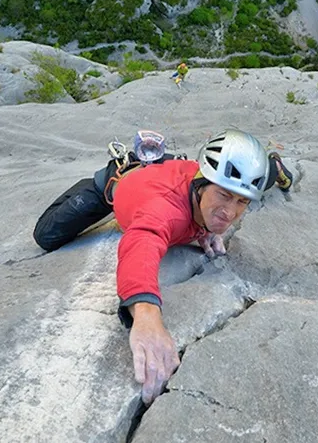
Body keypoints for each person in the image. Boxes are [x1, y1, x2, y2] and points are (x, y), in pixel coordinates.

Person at [32, 129, 294, 403]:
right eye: (224, 196)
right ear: (201, 184)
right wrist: (146, 316)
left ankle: (273, 165)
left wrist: (209, 226)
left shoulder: (215, 185)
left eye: (242, 202)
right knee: (47, 236)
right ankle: (125, 167)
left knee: (258, 180)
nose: (230, 212)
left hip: (171, 171)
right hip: (117, 184)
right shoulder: (164, 210)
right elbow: (141, 243)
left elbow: (234, 193)